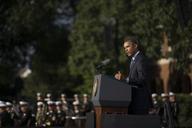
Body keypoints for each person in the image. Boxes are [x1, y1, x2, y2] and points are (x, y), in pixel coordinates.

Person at [115, 36, 152, 115]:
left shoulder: (140, 59)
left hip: (140, 102)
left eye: (128, 46)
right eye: (124, 48)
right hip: (134, 100)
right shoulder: (133, 60)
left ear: (135, 46)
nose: (126, 49)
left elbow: (142, 79)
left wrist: (126, 79)